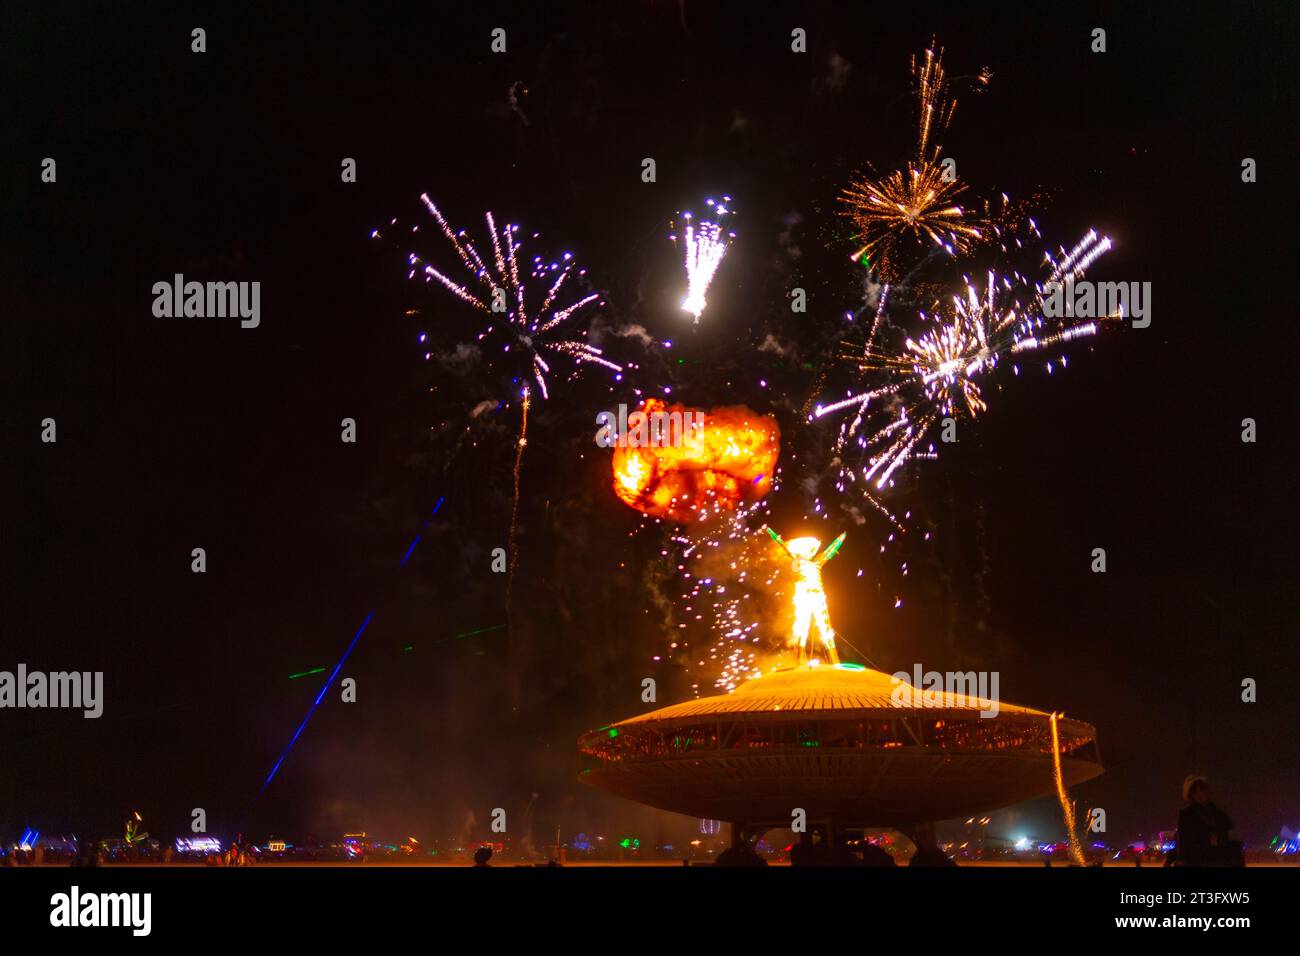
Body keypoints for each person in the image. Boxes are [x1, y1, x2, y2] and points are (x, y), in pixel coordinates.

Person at [1174, 775, 1243, 867]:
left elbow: (1232, 840)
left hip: (1218, 860)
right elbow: (1183, 841)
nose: (1203, 793)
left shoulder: (1219, 813)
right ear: (1191, 794)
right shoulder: (1186, 814)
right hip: (1196, 861)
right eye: (1199, 790)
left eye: (1204, 789)